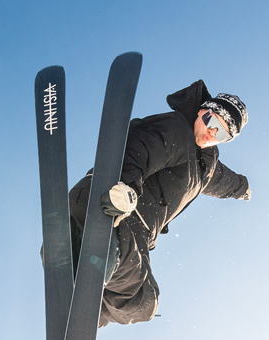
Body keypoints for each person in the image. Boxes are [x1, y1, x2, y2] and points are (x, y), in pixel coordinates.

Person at [68, 80, 251, 327]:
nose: (212, 134)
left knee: (144, 303)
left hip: (136, 230)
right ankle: (91, 258)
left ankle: (83, 309)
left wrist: (244, 188)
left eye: (223, 134)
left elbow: (223, 180)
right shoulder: (178, 130)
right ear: (202, 111)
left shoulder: (203, 168)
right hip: (114, 208)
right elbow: (139, 148)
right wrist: (127, 187)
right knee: (138, 292)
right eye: (214, 122)